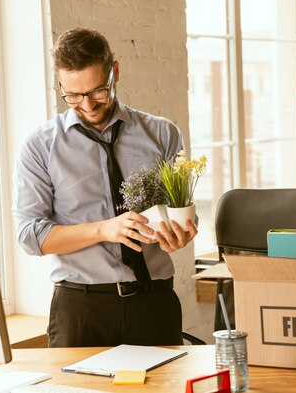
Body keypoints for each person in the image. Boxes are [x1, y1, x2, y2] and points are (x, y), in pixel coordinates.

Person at [13, 27, 198, 348]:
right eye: (72, 95)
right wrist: (104, 230)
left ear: (115, 71)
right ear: (60, 85)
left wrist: (181, 233)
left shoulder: (164, 135)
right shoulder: (39, 147)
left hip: (154, 301)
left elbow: (179, 211)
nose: (86, 104)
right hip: (81, 308)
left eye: (97, 91)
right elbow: (30, 236)